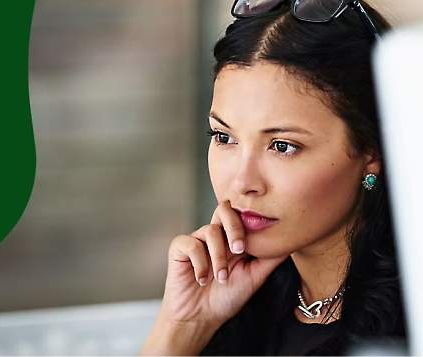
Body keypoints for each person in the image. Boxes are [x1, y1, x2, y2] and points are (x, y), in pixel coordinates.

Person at [139, 0, 406, 355]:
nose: (241, 182)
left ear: (373, 151)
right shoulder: (234, 302)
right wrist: (183, 328)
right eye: (223, 137)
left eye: (281, 146)